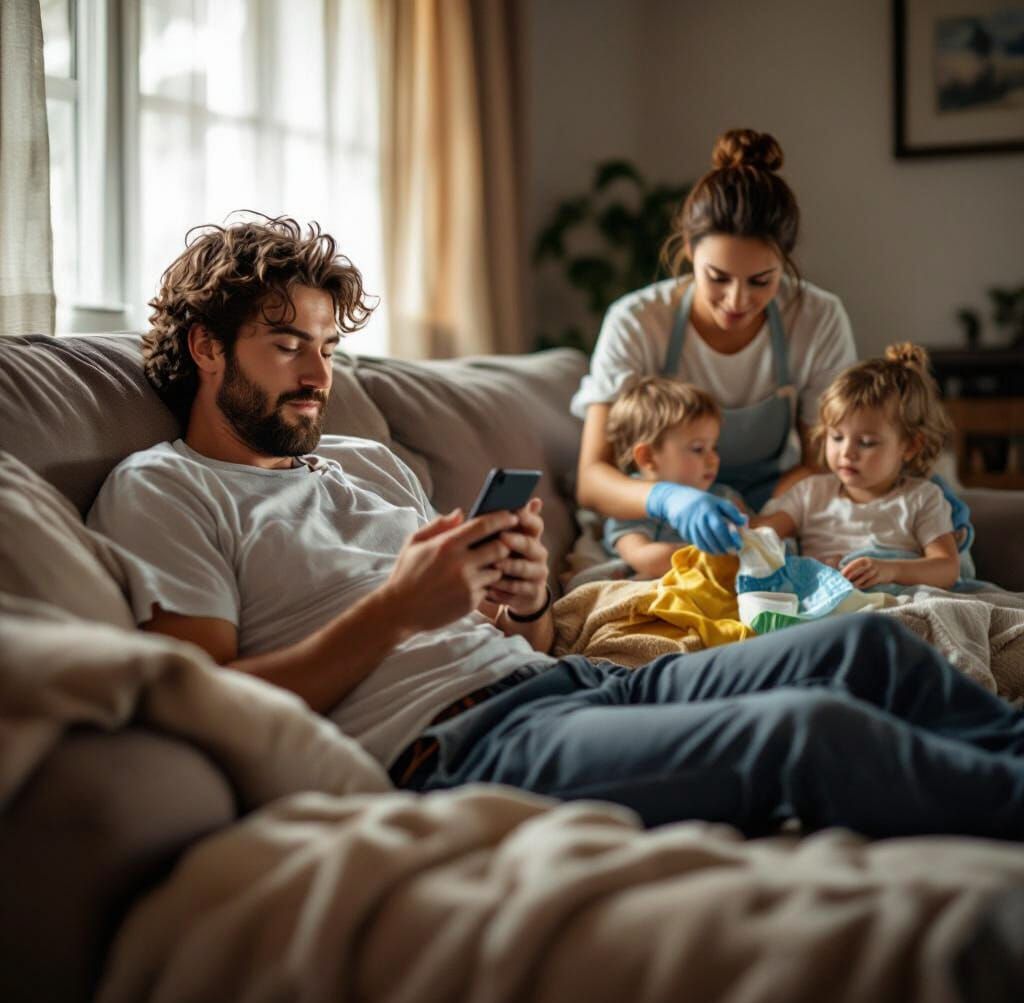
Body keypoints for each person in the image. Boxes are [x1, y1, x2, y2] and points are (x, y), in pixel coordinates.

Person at [88, 215, 1024, 841]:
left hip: (561, 681)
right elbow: (206, 703)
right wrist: (398, 613)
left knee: (863, 651)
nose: (318, 374)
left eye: (327, 347)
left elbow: (521, 637)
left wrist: (524, 597)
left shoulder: (365, 461)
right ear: (207, 346)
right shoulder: (165, 490)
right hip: (457, 749)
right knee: (807, 734)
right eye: (287, 343)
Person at [573, 128, 857, 555]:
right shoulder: (636, 322)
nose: (738, 301)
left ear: (786, 259)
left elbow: (821, 463)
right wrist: (670, 499)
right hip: (662, 516)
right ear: (688, 248)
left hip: (777, 501)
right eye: (717, 278)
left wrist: (761, 525)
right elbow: (592, 478)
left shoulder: (818, 319)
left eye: (762, 280)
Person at [752, 343, 959, 590]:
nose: (846, 452)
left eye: (866, 442)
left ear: (910, 446)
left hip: (895, 602)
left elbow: (947, 568)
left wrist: (890, 569)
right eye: (837, 437)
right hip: (830, 607)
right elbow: (759, 536)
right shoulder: (810, 494)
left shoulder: (921, 498)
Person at [603, 376, 745, 577]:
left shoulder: (722, 496)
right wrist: (717, 555)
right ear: (648, 456)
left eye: (714, 447)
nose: (714, 459)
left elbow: (755, 532)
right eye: (698, 449)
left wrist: (789, 514)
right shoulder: (630, 509)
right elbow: (645, 559)